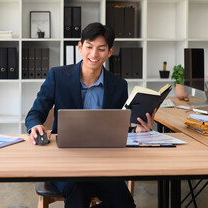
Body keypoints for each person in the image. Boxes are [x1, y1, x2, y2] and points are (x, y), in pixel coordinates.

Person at [25, 22, 156, 208]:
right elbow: (34, 113)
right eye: (89, 47)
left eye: (101, 49)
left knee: (125, 204)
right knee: (78, 191)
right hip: (64, 161)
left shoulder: (118, 86)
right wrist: (34, 126)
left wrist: (140, 131)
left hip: (103, 164)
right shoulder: (58, 76)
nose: (94, 55)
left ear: (110, 52)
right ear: (80, 47)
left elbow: (122, 128)